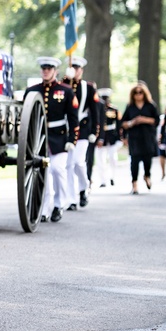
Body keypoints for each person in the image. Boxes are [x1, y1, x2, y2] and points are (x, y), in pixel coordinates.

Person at [25, 57, 78, 223]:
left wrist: (72, 139)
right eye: (43, 68)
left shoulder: (66, 91)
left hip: (59, 137)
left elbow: (73, 118)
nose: (46, 71)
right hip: (38, 137)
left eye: (49, 68)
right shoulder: (32, 90)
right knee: (43, 173)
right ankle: (45, 208)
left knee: (57, 169)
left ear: (55, 71)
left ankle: (58, 204)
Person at [62, 56, 98, 209]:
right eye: (73, 68)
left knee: (78, 162)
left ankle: (83, 187)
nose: (75, 71)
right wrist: (66, 80)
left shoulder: (88, 87)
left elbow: (95, 111)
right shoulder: (63, 85)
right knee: (68, 165)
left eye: (77, 68)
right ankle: (71, 199)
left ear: (81, 70)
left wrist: (94, 131)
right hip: (66, 128)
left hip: (82, 129)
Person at [120, 81, 160, 194]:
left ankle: (147, 175)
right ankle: (134, 183)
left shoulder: (150, 106)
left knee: (147, 160)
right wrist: (132, 123)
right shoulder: (130, 107)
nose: (138, 95)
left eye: (140, 92)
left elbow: (156, 120)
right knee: (134, 161)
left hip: (147, 137)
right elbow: (123, 123)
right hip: (134, 137)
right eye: (136, 93)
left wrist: (144, 119)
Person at [93, 88, 120, 188]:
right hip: (100, 136)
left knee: (113, 158)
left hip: (111, 136)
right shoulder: (97, 108)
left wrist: (118, 137)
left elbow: (118, 124)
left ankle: (112, 176)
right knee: (100, 160)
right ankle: (103, 180)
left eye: (106, 98)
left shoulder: (113, 110)